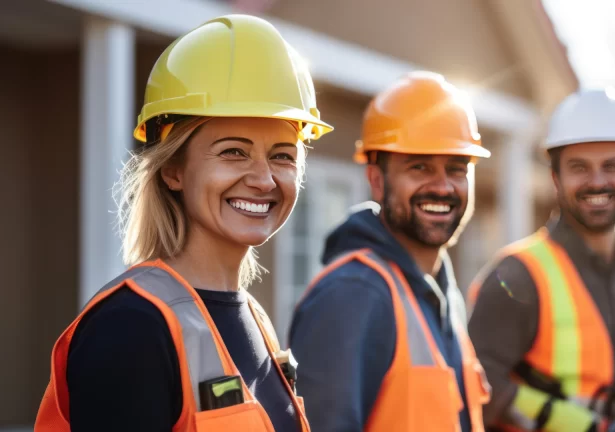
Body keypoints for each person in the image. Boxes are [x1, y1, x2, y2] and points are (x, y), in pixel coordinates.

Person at [34, 14, 332, 432]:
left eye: (283, 155)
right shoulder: (131, 327)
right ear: (173, 170)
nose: (264, 179)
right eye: (233, 152)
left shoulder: (254, 319)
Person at [467, 88, 615, 431]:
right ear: (555, 178)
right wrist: (566, 422)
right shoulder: (517, 276)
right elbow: (472, 391)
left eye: (611, 166)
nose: (597, 181)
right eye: (579, 167)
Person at [287, 71, 491, 432]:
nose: (442, 187)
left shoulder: (444, 293)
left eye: (456, 169)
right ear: (377, 180)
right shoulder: (353, 294)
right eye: (420, 168)